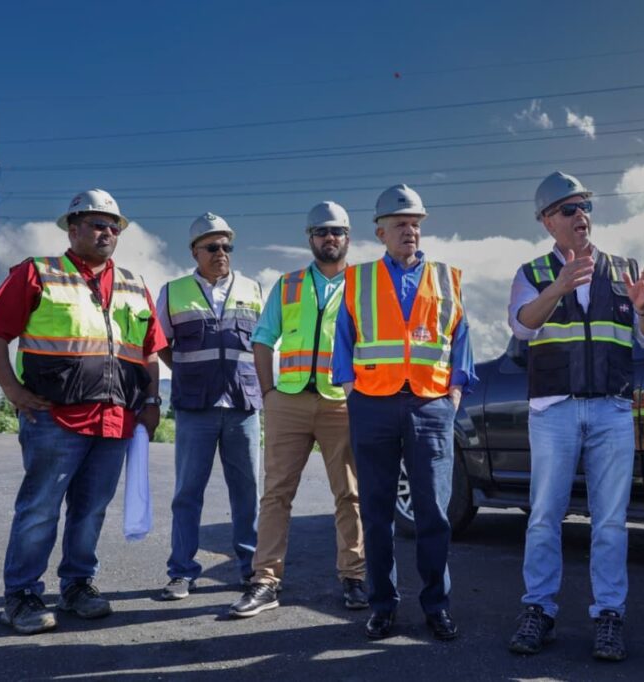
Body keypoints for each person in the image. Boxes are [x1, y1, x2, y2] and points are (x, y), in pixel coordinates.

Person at [0, 189, 166, 634]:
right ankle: (20, 596)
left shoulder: (136, 284)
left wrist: (152, 402)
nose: (107, 232)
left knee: (91, 508)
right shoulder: (38, 272)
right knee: (40, 507)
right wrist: (12, 388)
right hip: (54, 417)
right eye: (97, 223)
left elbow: (150, 352)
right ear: (73, 228)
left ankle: (78, 585)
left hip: (116, 418)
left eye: (113, 225)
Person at [506, 171, 644, 661]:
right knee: (544, 517)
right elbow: (522, 323)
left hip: (612, 409)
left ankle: (610, 615)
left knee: (611, 521)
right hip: (554, 409)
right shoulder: (532, 273)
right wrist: (556, 287)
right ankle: (539, 611)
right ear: (547, 221)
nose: (581, 216)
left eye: (585, 207)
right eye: (569, 209)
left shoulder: (624, 268)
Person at [331, 184, 476, 641]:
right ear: (380, 232)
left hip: (431, 406)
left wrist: (452, 397)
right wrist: (357, 392)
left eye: (415, 223)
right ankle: (382, 605)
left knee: (433, 512)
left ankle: (436, 605)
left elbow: (462, 343)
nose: (410, 230)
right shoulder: (359, 280)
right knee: (376, 512)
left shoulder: (447, 278)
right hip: (372, 405)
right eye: (400, 224)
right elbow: (344, 344)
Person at [230, 201, 367, 617]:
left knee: (350, 494)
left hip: (340, 402)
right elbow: (262, 339)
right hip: (288, 400)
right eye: (321, 232)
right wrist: (269, 391)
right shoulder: (287, 285)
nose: (330, 238)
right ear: (309, 238)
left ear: (348, 237)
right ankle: (265, 582)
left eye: (337, 232)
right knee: (276, 494)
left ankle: (355, 578)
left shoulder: (364, 285)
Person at [156, 213, 264, 600]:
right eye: (213, 247)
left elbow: (265, 346)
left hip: (242, 405)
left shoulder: (253, 289)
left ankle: (252, 570)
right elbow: (161, 343)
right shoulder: (173, 291)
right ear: (194, 252)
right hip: (195, 407)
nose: (222, 253)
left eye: (227, 246)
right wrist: (191, 374)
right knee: (187, 491)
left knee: (247, 490)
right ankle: (181, 572)